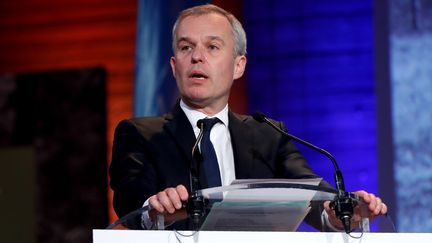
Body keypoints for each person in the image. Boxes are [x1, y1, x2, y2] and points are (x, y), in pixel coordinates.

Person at [109, 4, 387, 231]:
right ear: (173, 65)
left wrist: (341, 212)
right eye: (185, 47)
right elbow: (131, 203)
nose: (196, 57)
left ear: (238, 66)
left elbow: (308, 194)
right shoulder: (140, 134)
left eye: (212, 47)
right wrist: (158, 210)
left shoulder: (268, 134)